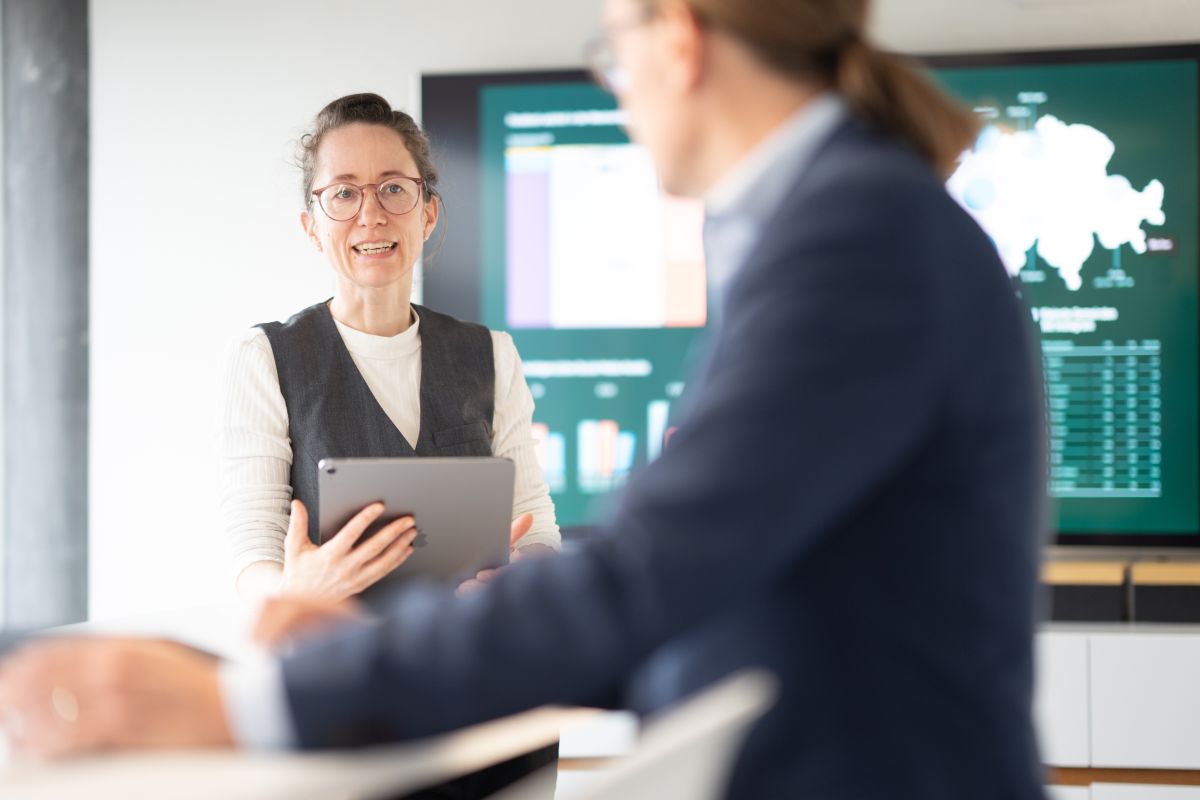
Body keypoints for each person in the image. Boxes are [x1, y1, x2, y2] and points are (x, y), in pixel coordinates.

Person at [0, 0, 1049, 797]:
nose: (619, 87)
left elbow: (650, 573)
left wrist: (251, 701)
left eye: (614, 49)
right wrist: (345, 645)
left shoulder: (853, 239)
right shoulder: (853, 220)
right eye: (343, 195)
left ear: (678, 39)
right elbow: (713, 588)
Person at [223, 93, 560, 604]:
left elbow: (532, 519)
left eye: (393, 189)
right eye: (343, 194)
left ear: (428, 214)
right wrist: (296, 594)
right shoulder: (265, 356)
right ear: (312, 227)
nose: (371, 215)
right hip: (334, 642)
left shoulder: (491, 353)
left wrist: (521, 579)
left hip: (464, 641)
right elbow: (253, 542)